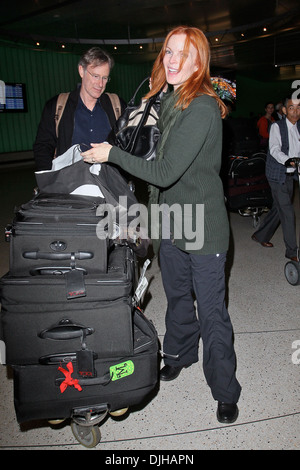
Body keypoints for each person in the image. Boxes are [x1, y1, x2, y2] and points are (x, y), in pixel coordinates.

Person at [80, 26, 242, 424]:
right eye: (168, 51)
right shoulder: (169, 98)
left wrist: (113, 153)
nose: (171, 60)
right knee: (178, 299)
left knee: (213, 311)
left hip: (203, 227)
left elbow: (165, 170)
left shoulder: (202, 106)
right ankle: (180, 355)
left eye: (182, 54)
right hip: (171, 220)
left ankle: (225, 389)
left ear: (198, 61)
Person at [33, 47, 126, 171]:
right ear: (82, 71)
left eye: (105, 78)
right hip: (69, 185)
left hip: (109, 185)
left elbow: (129, 146)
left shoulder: (117, 106)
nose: (100, 84)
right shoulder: (56, 106)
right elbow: (42, 147)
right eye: (96, 76)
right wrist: (52, 181)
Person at [251, 96, 300, 261]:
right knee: (287, 212)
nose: (295, 111)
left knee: (279, 208)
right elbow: (274, 148)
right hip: (277, 173)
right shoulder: (276, 127)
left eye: (298, 108)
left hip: (291, 173)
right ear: (285, 110)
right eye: (291, 108)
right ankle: (292, 251)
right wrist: (286, 159)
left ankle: (261, 235)